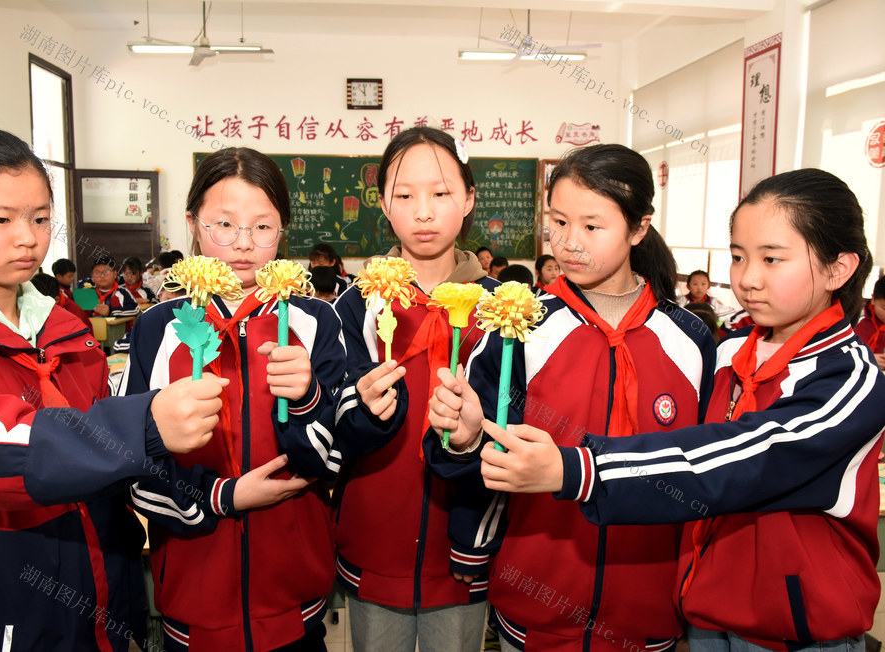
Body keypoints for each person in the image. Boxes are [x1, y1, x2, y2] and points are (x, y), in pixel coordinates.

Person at [466, 168, 885, 652]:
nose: (748, 278)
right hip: (706, 617)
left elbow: (734, 459)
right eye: (738, 257)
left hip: (793, 631)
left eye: (772, 259)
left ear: (839, 268)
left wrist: (574, 469)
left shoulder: (850, 380)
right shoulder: (732, 355)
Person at [0, 126, 227, 651]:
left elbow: (99, 443)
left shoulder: (61, 327)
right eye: (1, 219)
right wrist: (144, 424)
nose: (28, 237)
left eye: (41, 219)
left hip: (95, 601)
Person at [426, 144, 716, 652]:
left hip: (648, 614)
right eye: (558, 222)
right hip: (535, 607)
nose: (569, 243)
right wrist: (465, 439)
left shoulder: (690, 341)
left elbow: (707, 471)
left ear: (639, 228)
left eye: (592, 226)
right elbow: (472, 466)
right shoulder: (517, 323)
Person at [118, 147, 346, 651]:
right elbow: (130, 468)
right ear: (193, 223)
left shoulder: (315, 321)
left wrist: (307, 398)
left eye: (262, 227)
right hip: (193, 602)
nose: (243, 245)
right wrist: (222, 497)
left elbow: (338, 459)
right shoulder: (158, 327)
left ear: (283, 229)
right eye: (223, 224)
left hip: (295, 604)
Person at [333, 126, 498, 651]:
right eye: (405, 196)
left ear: (469, 199)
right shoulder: (357, 305)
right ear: (383, 202)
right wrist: (361, 410)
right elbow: (332, 431)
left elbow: (517, 424)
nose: (423, 212)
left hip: (465, 548)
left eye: (441, 193)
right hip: (375, 546)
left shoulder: (504, 309)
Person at [855, 275, 885, 369]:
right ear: (873, 299)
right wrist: (868, 359)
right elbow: (850, 356)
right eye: (884, 308)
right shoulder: (861, 325)